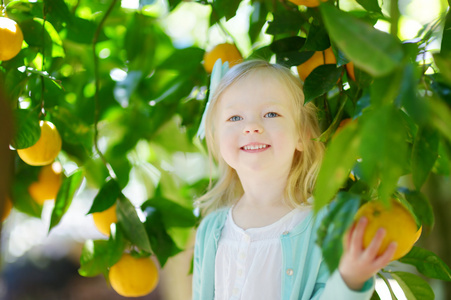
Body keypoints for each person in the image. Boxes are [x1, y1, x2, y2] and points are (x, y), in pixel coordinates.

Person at [192, 60, 396, 300]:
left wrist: (349, 279)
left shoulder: (322, 225)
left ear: (303, 135)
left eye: (270, 113)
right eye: (235, 117)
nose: (252, 127)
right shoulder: (211, 229)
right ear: (216, 137)